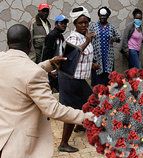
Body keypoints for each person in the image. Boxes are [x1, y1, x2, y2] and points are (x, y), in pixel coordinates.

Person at [0, 24, 93, 158]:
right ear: (30, 43)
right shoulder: (33, 73)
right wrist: (89, 117)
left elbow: (19, 73)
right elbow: (53, 110)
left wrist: (49, 63)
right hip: (19, 146)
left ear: (8, 42)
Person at [57, 6, 96, 153]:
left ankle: (80, 124)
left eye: (86, 22)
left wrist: (92, 64)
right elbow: (72, 56)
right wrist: (87, 41)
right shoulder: (74, 37)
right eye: (81, 23)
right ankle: (63, 143)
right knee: (72, 109)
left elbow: (82, 58)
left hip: (78, 78)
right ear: (75, 24)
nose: (84, 25)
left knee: (89, 101)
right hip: (69, 79)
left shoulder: (84, 35)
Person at [89, 6, 121, 86]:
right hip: (96, 56)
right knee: (97, 79)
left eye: (104, 16)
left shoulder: (111, 27)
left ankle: (107, 95)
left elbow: (118, 38)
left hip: (108, 56)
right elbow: (88, 38)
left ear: (107, 16)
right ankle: (97, 95)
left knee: (108, 79)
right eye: (101, 16)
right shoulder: (93, 26)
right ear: (98, 16)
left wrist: (113, 39)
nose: (102, 18)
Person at [42, 14, 69, 92]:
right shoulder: (52, 36)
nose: (64, 25)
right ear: (56, 24)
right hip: (51, 71)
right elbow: (46, 54)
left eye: (65, 23)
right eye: (62, 23)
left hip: (57, 70)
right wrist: (49, 71)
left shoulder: (59, 35)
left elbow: (61, 51)